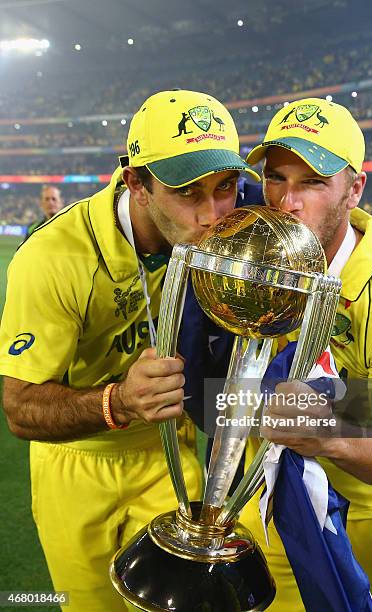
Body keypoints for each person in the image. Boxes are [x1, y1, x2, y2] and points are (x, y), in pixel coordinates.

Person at [0, 89, 259, 612]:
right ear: (136, 183)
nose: (213, 215)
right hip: (78, 462)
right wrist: (117, 402)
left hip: (170, 445)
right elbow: (19, 406)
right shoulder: (52, 256)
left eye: (226, 187)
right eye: (188, 192)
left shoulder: (232, 233)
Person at [240, 97, 372, 611]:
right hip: (261, 496)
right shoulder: (258, 260)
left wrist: (327, 436)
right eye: (277, 178)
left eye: (311, 183)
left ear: (355, 189)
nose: (286, 202)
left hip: (356, 521)